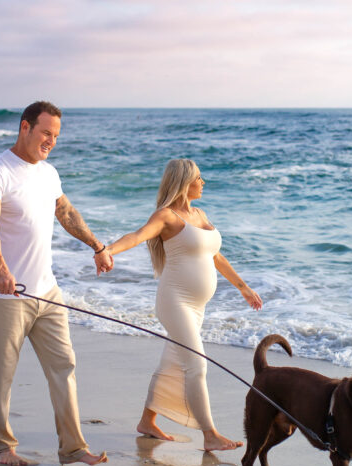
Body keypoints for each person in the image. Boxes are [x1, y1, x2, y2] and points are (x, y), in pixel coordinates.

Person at [0, 100, 113, 466]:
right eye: (45, 132)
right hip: (7, 294)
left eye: (56, 135)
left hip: (48, 293)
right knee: (2, 375)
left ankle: (72, 449)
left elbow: (65, 212)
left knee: (64, 366)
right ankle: (2, 447)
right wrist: (1, 269)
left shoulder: (49, 173)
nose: (51, 140)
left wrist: (97, 245)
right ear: (25, 127)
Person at [105, 158, 262, 451]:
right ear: (183, 182)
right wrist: (107, 250)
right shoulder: (166, 217)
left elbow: (215, 256)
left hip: (197, 306)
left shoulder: (201, 214)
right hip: (175, 300)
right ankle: (211, 435)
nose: (203, 183)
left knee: (173, 361)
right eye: (198, 178)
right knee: (196, 364)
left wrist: (243, 287)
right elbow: (138, 236)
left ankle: (147, 422)